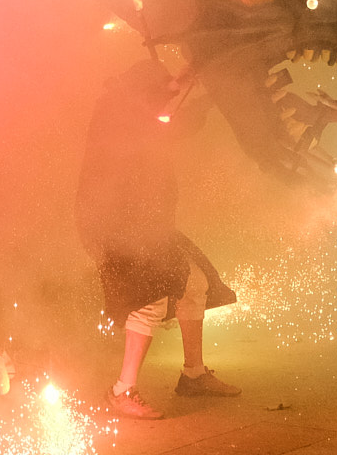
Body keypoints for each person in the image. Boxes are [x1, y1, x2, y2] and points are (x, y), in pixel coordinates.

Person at [75, 57, 240, 420]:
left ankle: (193, 376)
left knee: (194, 283)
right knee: (148, 298)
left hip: (148, 223)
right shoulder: (119, 118)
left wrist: (194, 81)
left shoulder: (132, 107)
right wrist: (209, 98)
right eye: (159, 96)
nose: (164, 105)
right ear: (144, 94)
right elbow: (171, 128)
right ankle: (122, 391)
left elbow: (168, 120)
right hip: (118, 227)